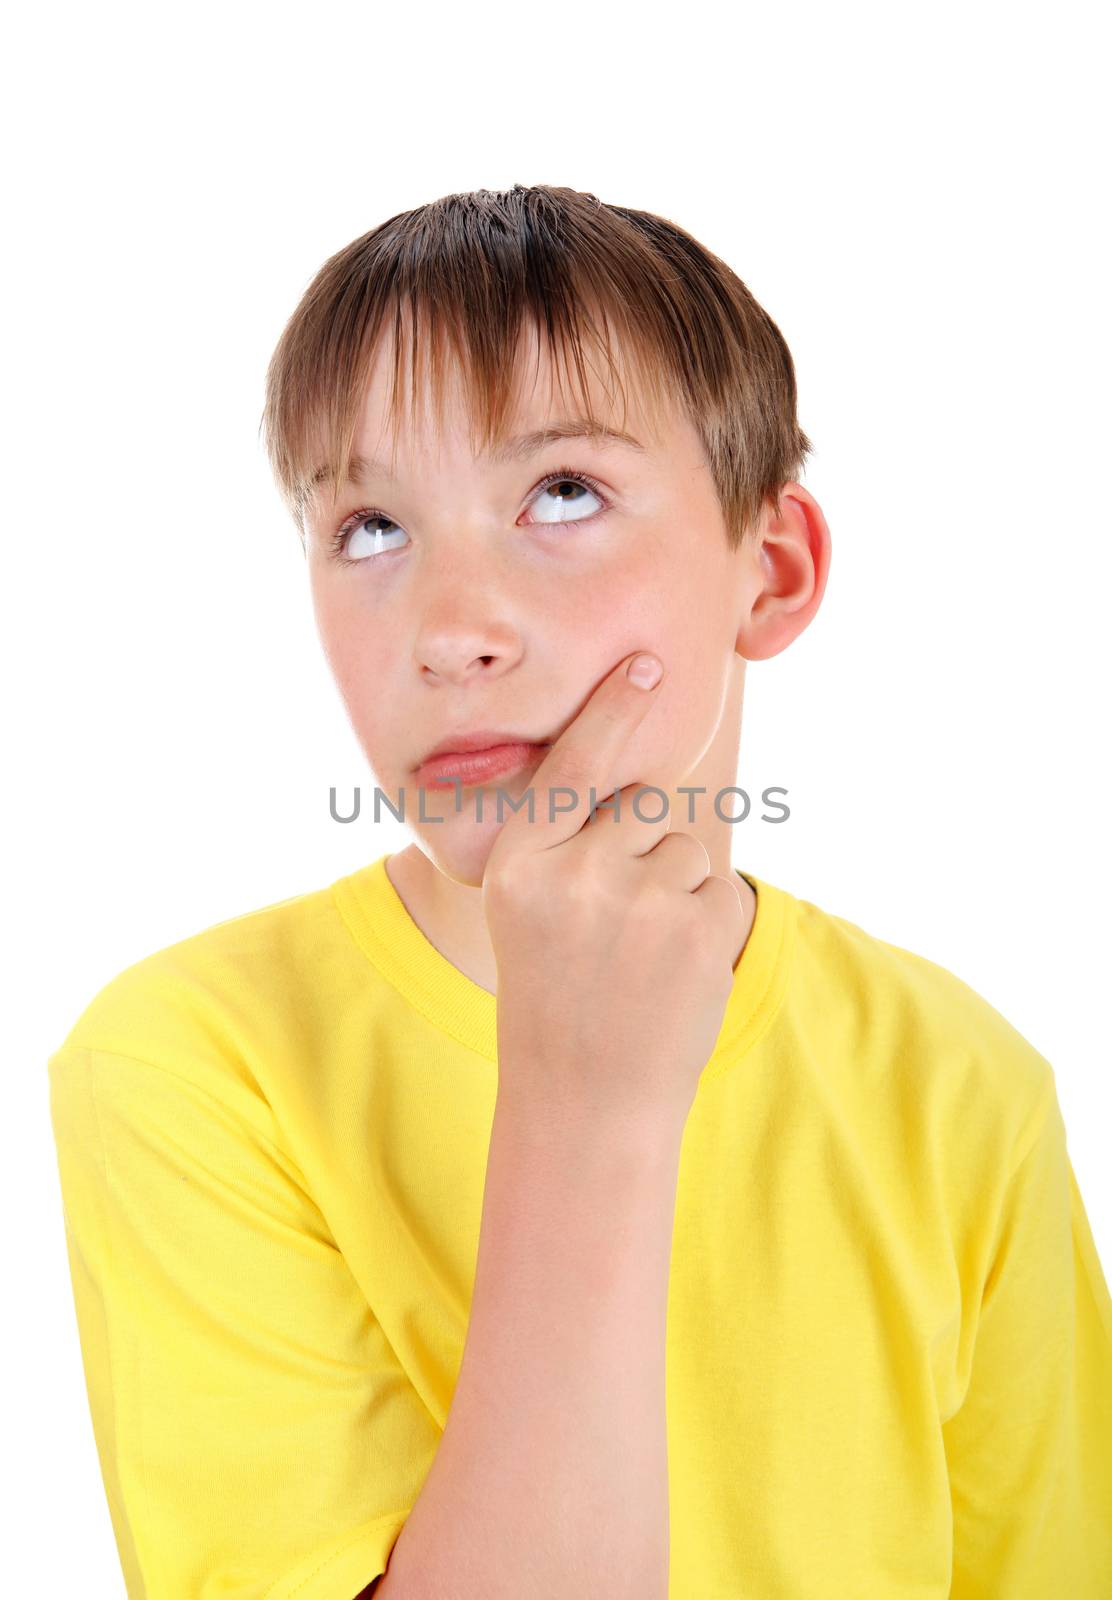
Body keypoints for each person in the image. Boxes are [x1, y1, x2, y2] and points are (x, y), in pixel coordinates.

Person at [47, 183, 1112, 1599]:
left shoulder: (964, 1083)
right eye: (369, 526)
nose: (451, 630)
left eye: (563, 494)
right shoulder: (190, 1061)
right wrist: (584, 1100)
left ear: (774, 568)